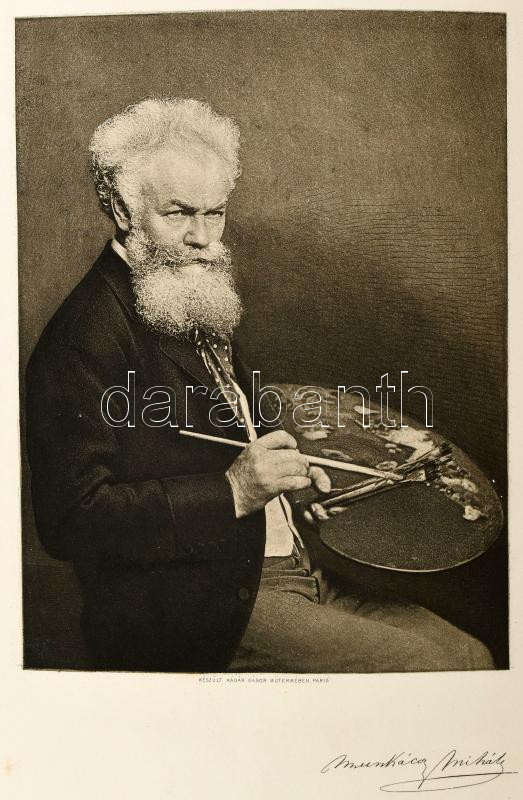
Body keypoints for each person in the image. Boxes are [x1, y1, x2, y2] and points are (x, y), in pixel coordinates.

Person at [25, 97, 494, 672]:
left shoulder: (182, 292)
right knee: (434, 669)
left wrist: (294, 485)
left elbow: (232, 434)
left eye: (215, 213)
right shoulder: (84, 336)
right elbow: (71, 521)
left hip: (286, 569)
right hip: (201, 610)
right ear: (123, 209)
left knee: (470, 654)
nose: (203, 237)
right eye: (179, 213)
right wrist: (232, 491)